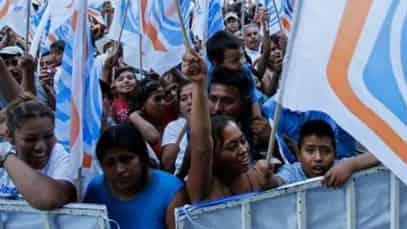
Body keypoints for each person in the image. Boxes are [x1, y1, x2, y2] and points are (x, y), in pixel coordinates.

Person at [182, 50, 277, 203]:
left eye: (243, 141)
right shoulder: (204, 185)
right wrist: (199, 84)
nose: (243, 149)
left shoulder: (254, 175)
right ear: (213, 152)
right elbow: (202, 147)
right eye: (232, 147)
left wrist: (271, 181)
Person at [83, 124, 187, 229]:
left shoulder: (170, 191)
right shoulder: (95, 189)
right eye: (110, 163)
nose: (120, 169)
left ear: (142, 158)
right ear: (102, 166)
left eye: (126, 159)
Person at [0, 94, 77, 209]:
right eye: (30, 139)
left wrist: (6, 156)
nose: (40, 147)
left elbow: (49, 199)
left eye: (48, 136)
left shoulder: (62, 159)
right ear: (10, 136)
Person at [273, 120, 379, 187]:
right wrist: (266, 178)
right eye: (310, 151)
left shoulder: (340, 166)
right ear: (299, 154)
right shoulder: (292, 172)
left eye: (326, 151)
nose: (318, 158)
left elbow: (381, 156)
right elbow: (276, 182)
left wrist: (351, 165)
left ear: (335, 153)